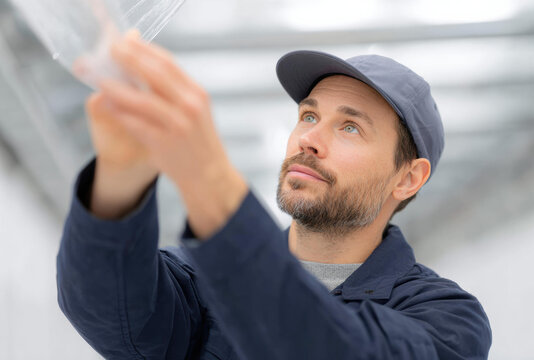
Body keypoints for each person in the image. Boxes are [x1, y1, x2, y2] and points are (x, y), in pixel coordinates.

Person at [57, 31, 492, 359]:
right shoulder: (199, 277)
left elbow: (336, 344)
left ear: (409, 178)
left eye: (350, 127)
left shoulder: (447, 320)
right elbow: (112, 312)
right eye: (308, 115)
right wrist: (120, 176)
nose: (310, 139)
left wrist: (210, 181)